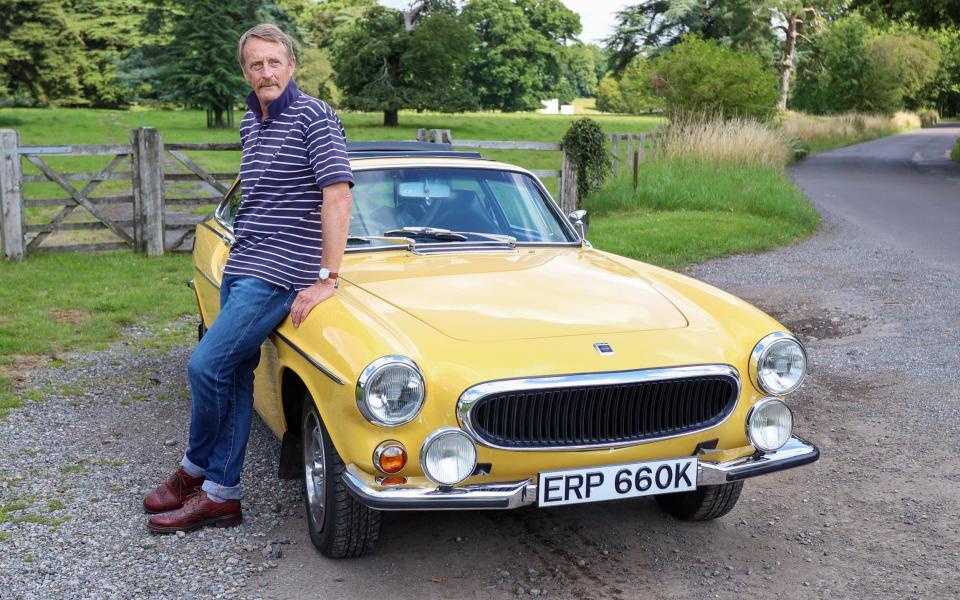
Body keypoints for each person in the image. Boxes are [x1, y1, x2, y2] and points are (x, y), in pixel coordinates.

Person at [144, 23, 354, 533]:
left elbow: (338, 195)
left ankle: (196, 470)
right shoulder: (250, 121)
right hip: (243, 264)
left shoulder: (315, 116)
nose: (266, 72)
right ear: (246, 71)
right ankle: (222, 494)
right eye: (256, 64)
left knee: (205, 366)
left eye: (274, 62)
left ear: (292, 65)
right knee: (234, 375)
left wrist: (327, 277)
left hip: (280, 272)